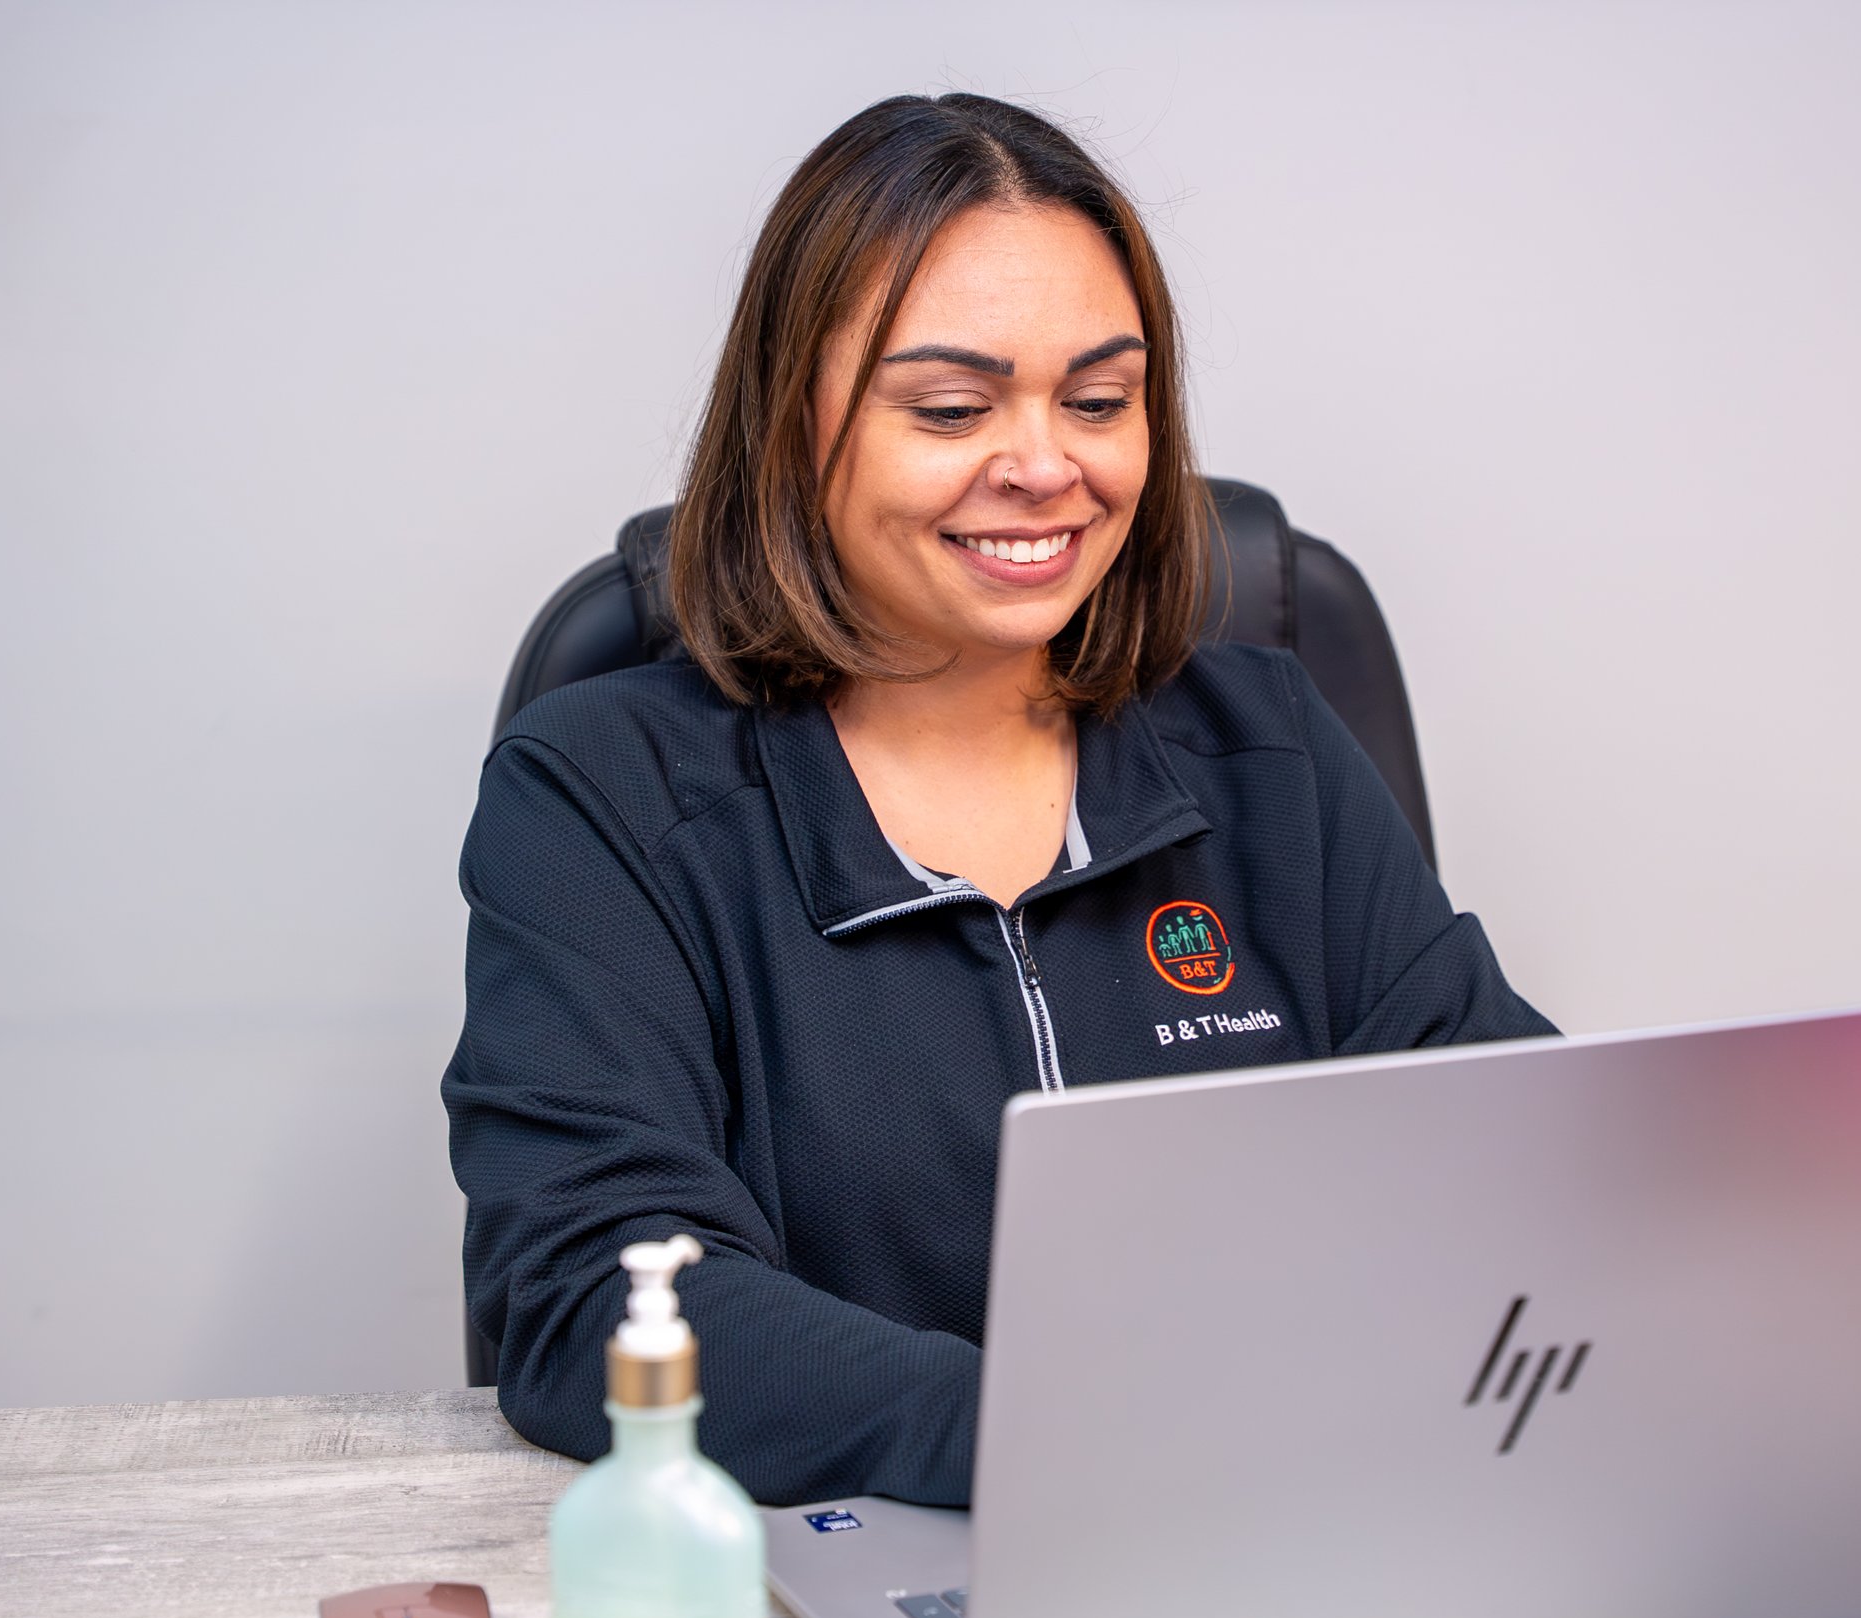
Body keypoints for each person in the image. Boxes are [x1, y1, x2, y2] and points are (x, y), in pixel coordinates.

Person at [443, 92, 1552, 1509]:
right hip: (859, 1567)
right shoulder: (599, 793)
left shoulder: (1271, 750)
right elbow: (597, 1289)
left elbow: (1521, 1162)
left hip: (1294, 1530)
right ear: (797, 425)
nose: (1047, 466)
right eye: (954, 408)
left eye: (1100, 399)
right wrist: (1060, 1439)